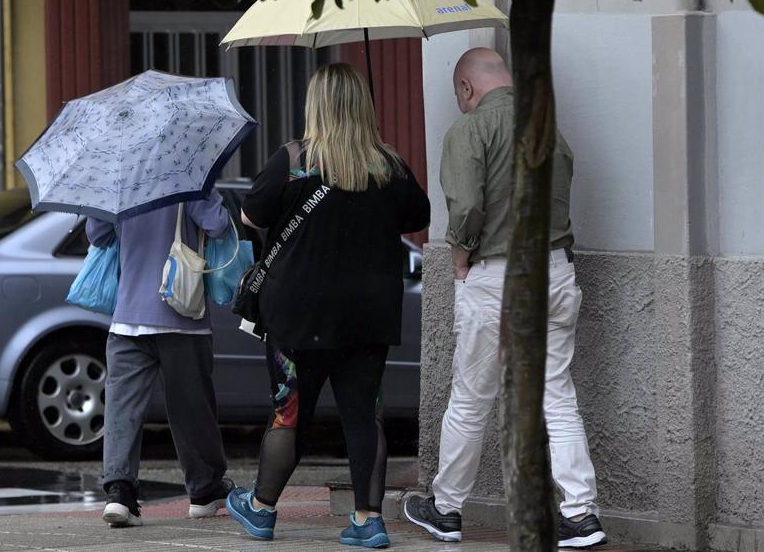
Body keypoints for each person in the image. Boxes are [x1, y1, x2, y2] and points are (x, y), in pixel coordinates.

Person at [403, 48, 607, 549]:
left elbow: (467, 203)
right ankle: (581, 515)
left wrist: (459, 258)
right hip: (554, 271)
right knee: (557, 398)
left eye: (459, 96)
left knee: (471, 399)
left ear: (467, 89)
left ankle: (446, 508)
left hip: (495, 274)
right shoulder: (548, 128)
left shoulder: (469, 130)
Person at [225, 63, 430, 548]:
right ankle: (368, 519)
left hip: (298, 312)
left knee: (290, 412)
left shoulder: (292, 159)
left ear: (315, 105)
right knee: (364, 415)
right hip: (369, 311)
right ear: (363, 105)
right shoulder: (390, 166)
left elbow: (251, 214)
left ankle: (261, 509)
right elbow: (418, 216)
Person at [86, 195, 232, 527]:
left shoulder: (122, 182)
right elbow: (218, 226)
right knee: (191, 408)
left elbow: (98, 235)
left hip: (127, 317)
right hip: (181, 314)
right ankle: (204, 491)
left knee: (122, 407)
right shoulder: (188, 178)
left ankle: (120, 493)